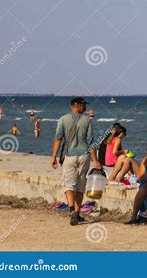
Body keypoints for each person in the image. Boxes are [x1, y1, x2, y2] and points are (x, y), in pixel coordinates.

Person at [51, 97, 101, 226]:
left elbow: (58, 139)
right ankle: (77, 214)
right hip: (84, 156)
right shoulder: (87, 120)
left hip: (70, 155)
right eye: (84, 105)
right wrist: (95, 160)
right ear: (77, 106)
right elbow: (90, 142)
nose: (85, 108)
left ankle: (72, 210)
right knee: (80, 184)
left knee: (69, 184)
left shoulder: (63, 119)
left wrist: (54, 157)